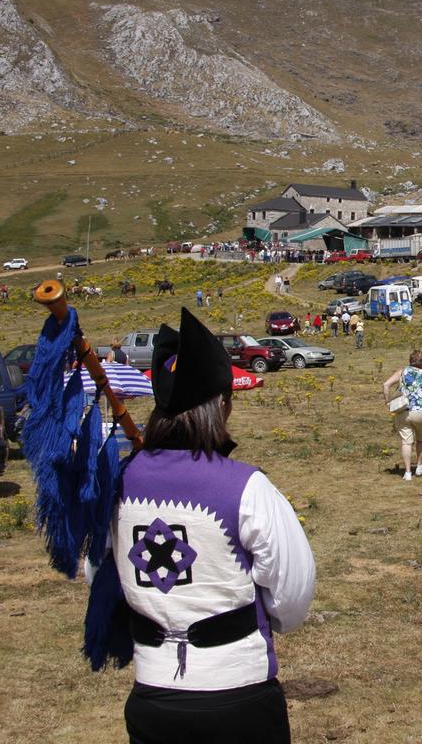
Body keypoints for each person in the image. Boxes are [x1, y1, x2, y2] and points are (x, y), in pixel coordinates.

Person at [111, 308, 314, 743]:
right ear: (220, 405)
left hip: (152, 696)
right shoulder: (246, 487)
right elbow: (292, 591)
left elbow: (104, 575)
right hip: (237, 696)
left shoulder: (117, 483)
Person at [383, 350, 422, 481]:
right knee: (421, 440)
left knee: (406, 442)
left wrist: (388, 402)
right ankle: (419, 466)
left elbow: (386, 384)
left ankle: (407, 472)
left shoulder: (402, 371)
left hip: (403, 411)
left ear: (410, 360)